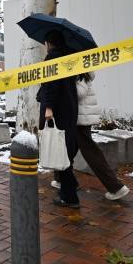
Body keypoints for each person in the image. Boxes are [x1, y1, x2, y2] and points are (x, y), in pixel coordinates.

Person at [36, 30, 80, 208]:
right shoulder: (69, 59)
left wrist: (48, 108)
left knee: (59, 151)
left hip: (57, 111)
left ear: (49, 43)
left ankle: (69, 197)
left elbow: (51, 86)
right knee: (65, 149)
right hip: (69, 110)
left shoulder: (52, 59)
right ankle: (71, 186)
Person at [75, 74, 129, 201]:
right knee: (69, 148)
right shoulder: (81, 70)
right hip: (79, 116)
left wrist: (65, 82)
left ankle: (115, 187)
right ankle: (61, 179)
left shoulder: (80, 71)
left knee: (90, 152)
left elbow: (80, 92)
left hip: (81, 118)